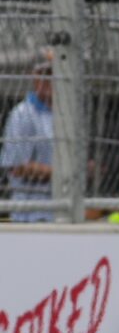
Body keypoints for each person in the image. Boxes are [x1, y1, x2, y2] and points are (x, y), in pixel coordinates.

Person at [0, 53, 54, 222]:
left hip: (59, 212)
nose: (49, 80)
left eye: (53, 73)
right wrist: (60, 173)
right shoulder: (22, 114)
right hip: (32, 214)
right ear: (34, 77)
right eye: (44, 74)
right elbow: (17, 167)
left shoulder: (65, 115)